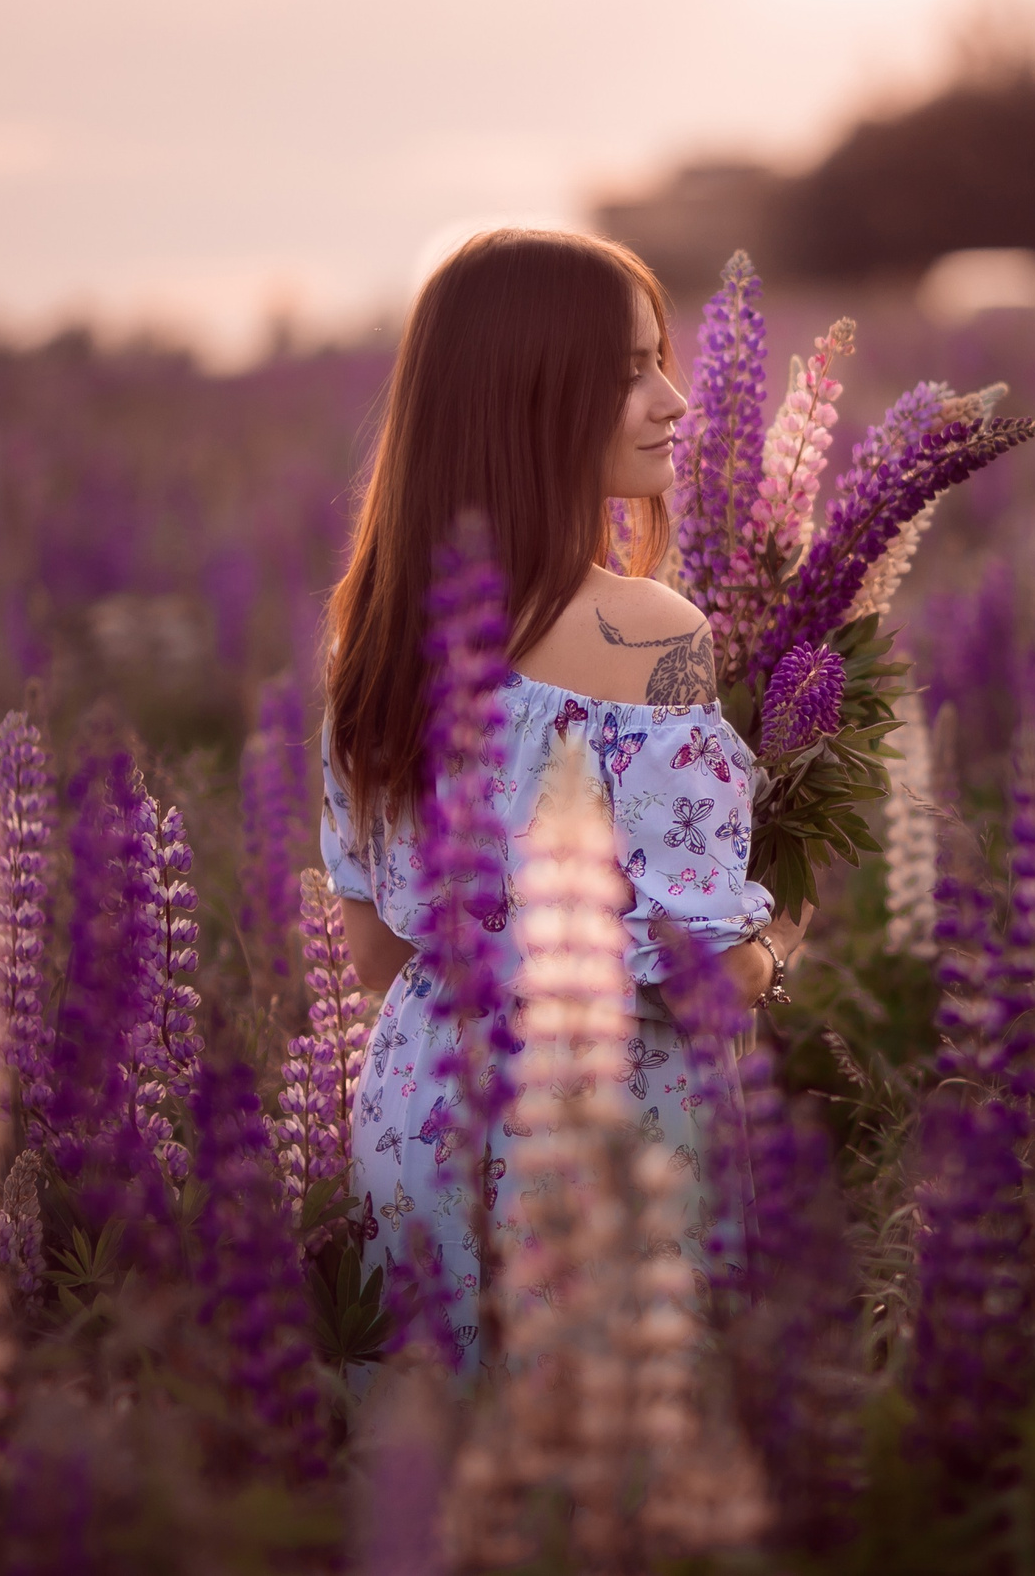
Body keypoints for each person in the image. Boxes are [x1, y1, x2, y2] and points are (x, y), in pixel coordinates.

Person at [319, 227, 809, 1372]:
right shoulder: (653, 634)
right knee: (607, 1482)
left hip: (416, 1110)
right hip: (603, 1128)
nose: (674, 400)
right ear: (528, 398)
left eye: (662, 360)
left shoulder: (371, 634)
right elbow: (702, 977)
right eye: (628, 370)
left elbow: (375, 955)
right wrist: (780, 943)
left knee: (447, 1464)